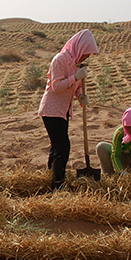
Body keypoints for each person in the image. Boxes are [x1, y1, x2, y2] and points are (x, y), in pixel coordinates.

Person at [38, 29, 99, 189]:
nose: (88, 56)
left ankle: (51, 178)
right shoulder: (60, 60)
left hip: (63, 111)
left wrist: (81, 96)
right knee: (63, 147)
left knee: (57, 146)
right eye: (87, 53)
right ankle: (58, 184)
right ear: (80, 48)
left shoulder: (78, 64)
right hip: (51, 110)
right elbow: (56, 86)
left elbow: (76, 86)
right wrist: (76, 77)